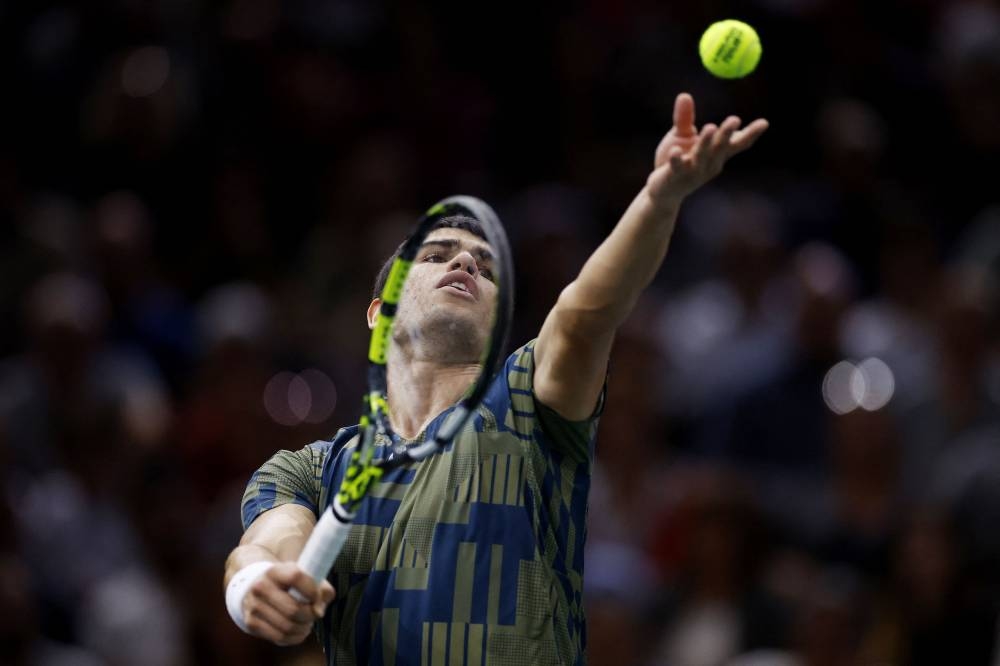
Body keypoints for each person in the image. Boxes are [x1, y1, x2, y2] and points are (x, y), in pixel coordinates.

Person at [223, 92, 768, 665]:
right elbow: (266, 541)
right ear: (379, 315)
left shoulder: (527, 402)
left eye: (485, 269)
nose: (464, 265)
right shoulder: (310, 468)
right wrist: (259, 585)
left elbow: (586, 315)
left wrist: (660, 198)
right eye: (437, 256)